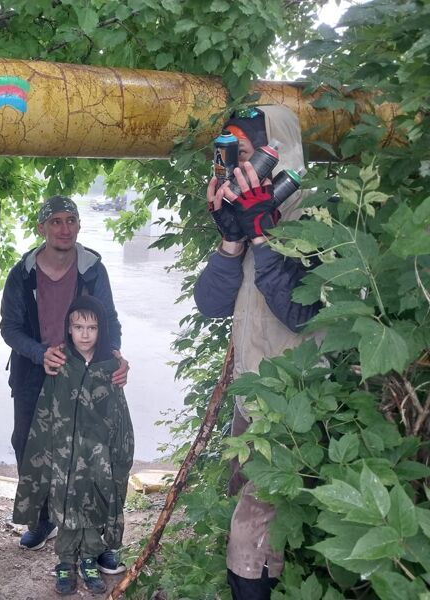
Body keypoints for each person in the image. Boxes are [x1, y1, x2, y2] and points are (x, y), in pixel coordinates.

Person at [193, 105, 322, 599]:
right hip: (252, 397)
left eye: (242, 156)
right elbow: (210, 304)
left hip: (296, 404)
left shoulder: (314, 214)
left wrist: (263, 232)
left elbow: (300, 312)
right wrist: (232, 238)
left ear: (277, 153)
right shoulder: (253, 211)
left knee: (252, 531)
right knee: (249, 523)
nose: (232, 171)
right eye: (227, 159)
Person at [0, 195, 129, 571]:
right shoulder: (22, 273)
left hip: (86, 373)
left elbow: (109, 321)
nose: (64, 228)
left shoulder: (92, 270)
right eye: (55, 221)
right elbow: (9, 328)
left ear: (78, 225)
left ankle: (99, 535)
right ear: (41, 228)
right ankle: (44, 520)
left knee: (93, 453)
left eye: (70, 220)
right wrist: (41, 354)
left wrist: (115, 356)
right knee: (28, 445)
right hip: (32, 372)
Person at [13, 295, 134, 595]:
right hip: (65, 455)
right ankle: (66, 562)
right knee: (65, 508)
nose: (84, 334)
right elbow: (45, 410)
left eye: (91, 328)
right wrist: (45, 450)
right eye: (78, 326)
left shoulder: (110, 367)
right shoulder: (61, 364)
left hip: (98, 458)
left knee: (94, 506)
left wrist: (119, 453)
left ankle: (90, 560)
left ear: (101, 330)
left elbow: (120, 416)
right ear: (68, 328)